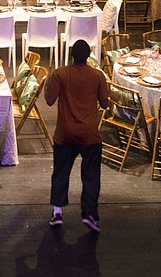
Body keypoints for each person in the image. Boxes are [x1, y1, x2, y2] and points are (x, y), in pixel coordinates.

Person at [45, 39, 109, 231]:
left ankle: (57, 212)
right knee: (91, 175)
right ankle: (90, 213)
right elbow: (105, 103)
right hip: (89, 134)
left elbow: (49, 100)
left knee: (60, 172)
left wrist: (48, 84)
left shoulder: (60, 74)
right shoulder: (97, 75)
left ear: (72, 55)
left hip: (65, 133)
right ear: (89, 56)